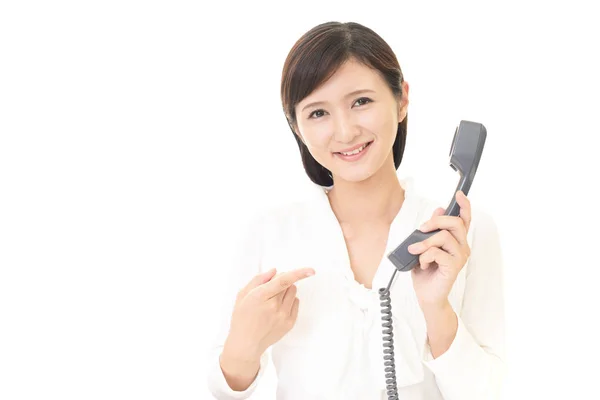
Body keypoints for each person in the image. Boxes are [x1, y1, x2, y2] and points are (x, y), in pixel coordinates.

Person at [206, 21, 505, 400]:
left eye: (361, 101)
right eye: (318, 113)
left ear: (402, 100)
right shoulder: (269, 232)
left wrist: (436, 308)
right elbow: (221, 388)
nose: (345, 131)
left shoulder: (463, 232)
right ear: (297, 128)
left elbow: (487, 392)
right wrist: (243, 346)